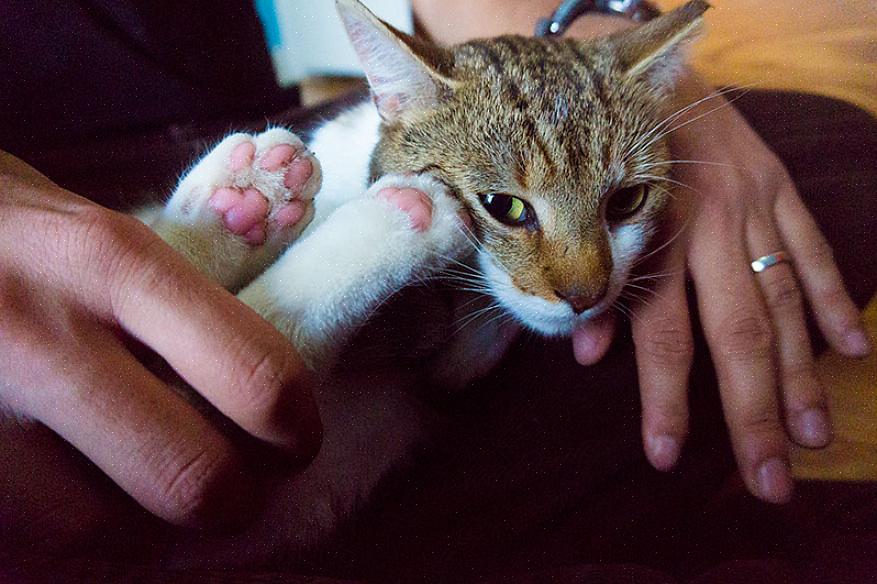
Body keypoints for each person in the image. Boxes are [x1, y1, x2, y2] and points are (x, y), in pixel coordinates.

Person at [1, 0, 874, 578]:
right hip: (55, 175)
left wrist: (598, 35)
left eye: (621, 206)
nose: (582, 283)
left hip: (265, 143)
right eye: (504, 209)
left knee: (833, 171)